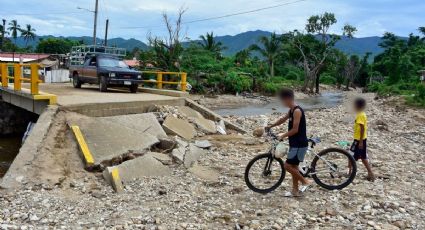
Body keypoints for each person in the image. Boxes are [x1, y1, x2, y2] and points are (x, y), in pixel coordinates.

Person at [266, 88, 312, 197]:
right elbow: (283, 119)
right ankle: (295, 191)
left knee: (287, 166)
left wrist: (282, 135)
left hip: (299, 144)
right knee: (294, 167)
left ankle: (305, 181)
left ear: (288, 99)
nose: (282, 102)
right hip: (295, 143)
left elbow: (295, 129)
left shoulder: (297, 111)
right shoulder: (291, 110)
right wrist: (271, 125)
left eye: (283, 100)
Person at [350, 97, 375, 181]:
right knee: (355, 156)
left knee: (356, 156)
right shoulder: (362, 114)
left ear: (358, 106)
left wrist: (360, 142)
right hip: (361, 139)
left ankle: (370, 173)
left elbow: (362, 128)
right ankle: (350, 172)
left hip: (359, 140)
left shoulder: (360, 115)